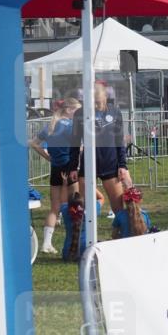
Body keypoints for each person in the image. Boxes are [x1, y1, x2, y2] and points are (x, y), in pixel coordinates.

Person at [68, 81, 130, 215]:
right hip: (88, 165)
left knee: (118, 209)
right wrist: (73, 166)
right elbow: (75, 141)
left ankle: (120, 234)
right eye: (92, 100)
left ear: (105, 96)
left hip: (110, 163)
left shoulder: (115, 112)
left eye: (98, 100)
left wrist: (123, 166)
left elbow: (120, 140)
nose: (95, 104)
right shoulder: (80, 113)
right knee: (85, 208)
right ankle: (86, 235)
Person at [31, 97, 81, 253]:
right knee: (75, 204)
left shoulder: (50, 126)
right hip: (69, 167)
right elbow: (78, 147)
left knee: (54, 208)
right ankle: (76, 239)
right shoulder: (71, 126)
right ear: (68, 110)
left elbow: (33, 143)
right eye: (77, 111)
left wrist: (48, 157)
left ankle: (47, 243)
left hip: (55, 168)